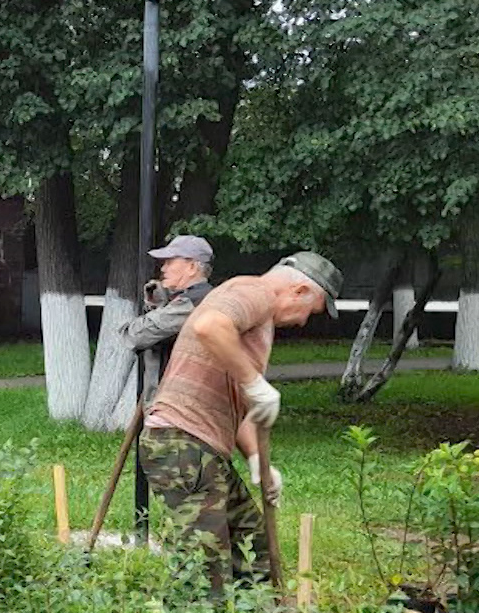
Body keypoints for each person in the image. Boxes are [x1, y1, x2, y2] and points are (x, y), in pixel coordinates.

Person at [137, 252, 342, 591]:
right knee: (204, 573)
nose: (304, 322)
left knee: (250, 542)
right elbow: (208, 326)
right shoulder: (256, 292)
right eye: (312, 310)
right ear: (300, 290)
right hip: (182, 443)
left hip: (200, 447)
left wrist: (258, 462)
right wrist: (254, 382)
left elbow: (242, 410)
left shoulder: (257, 323)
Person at [112, 234, 217, 404]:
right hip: (179, 403)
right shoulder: (197, 298)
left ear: (191, 267)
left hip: (178, 407)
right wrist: (163, 303)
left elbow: (134, 335)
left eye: (170, 262)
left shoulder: (194, 302)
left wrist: (160, 307)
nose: (163, 269)